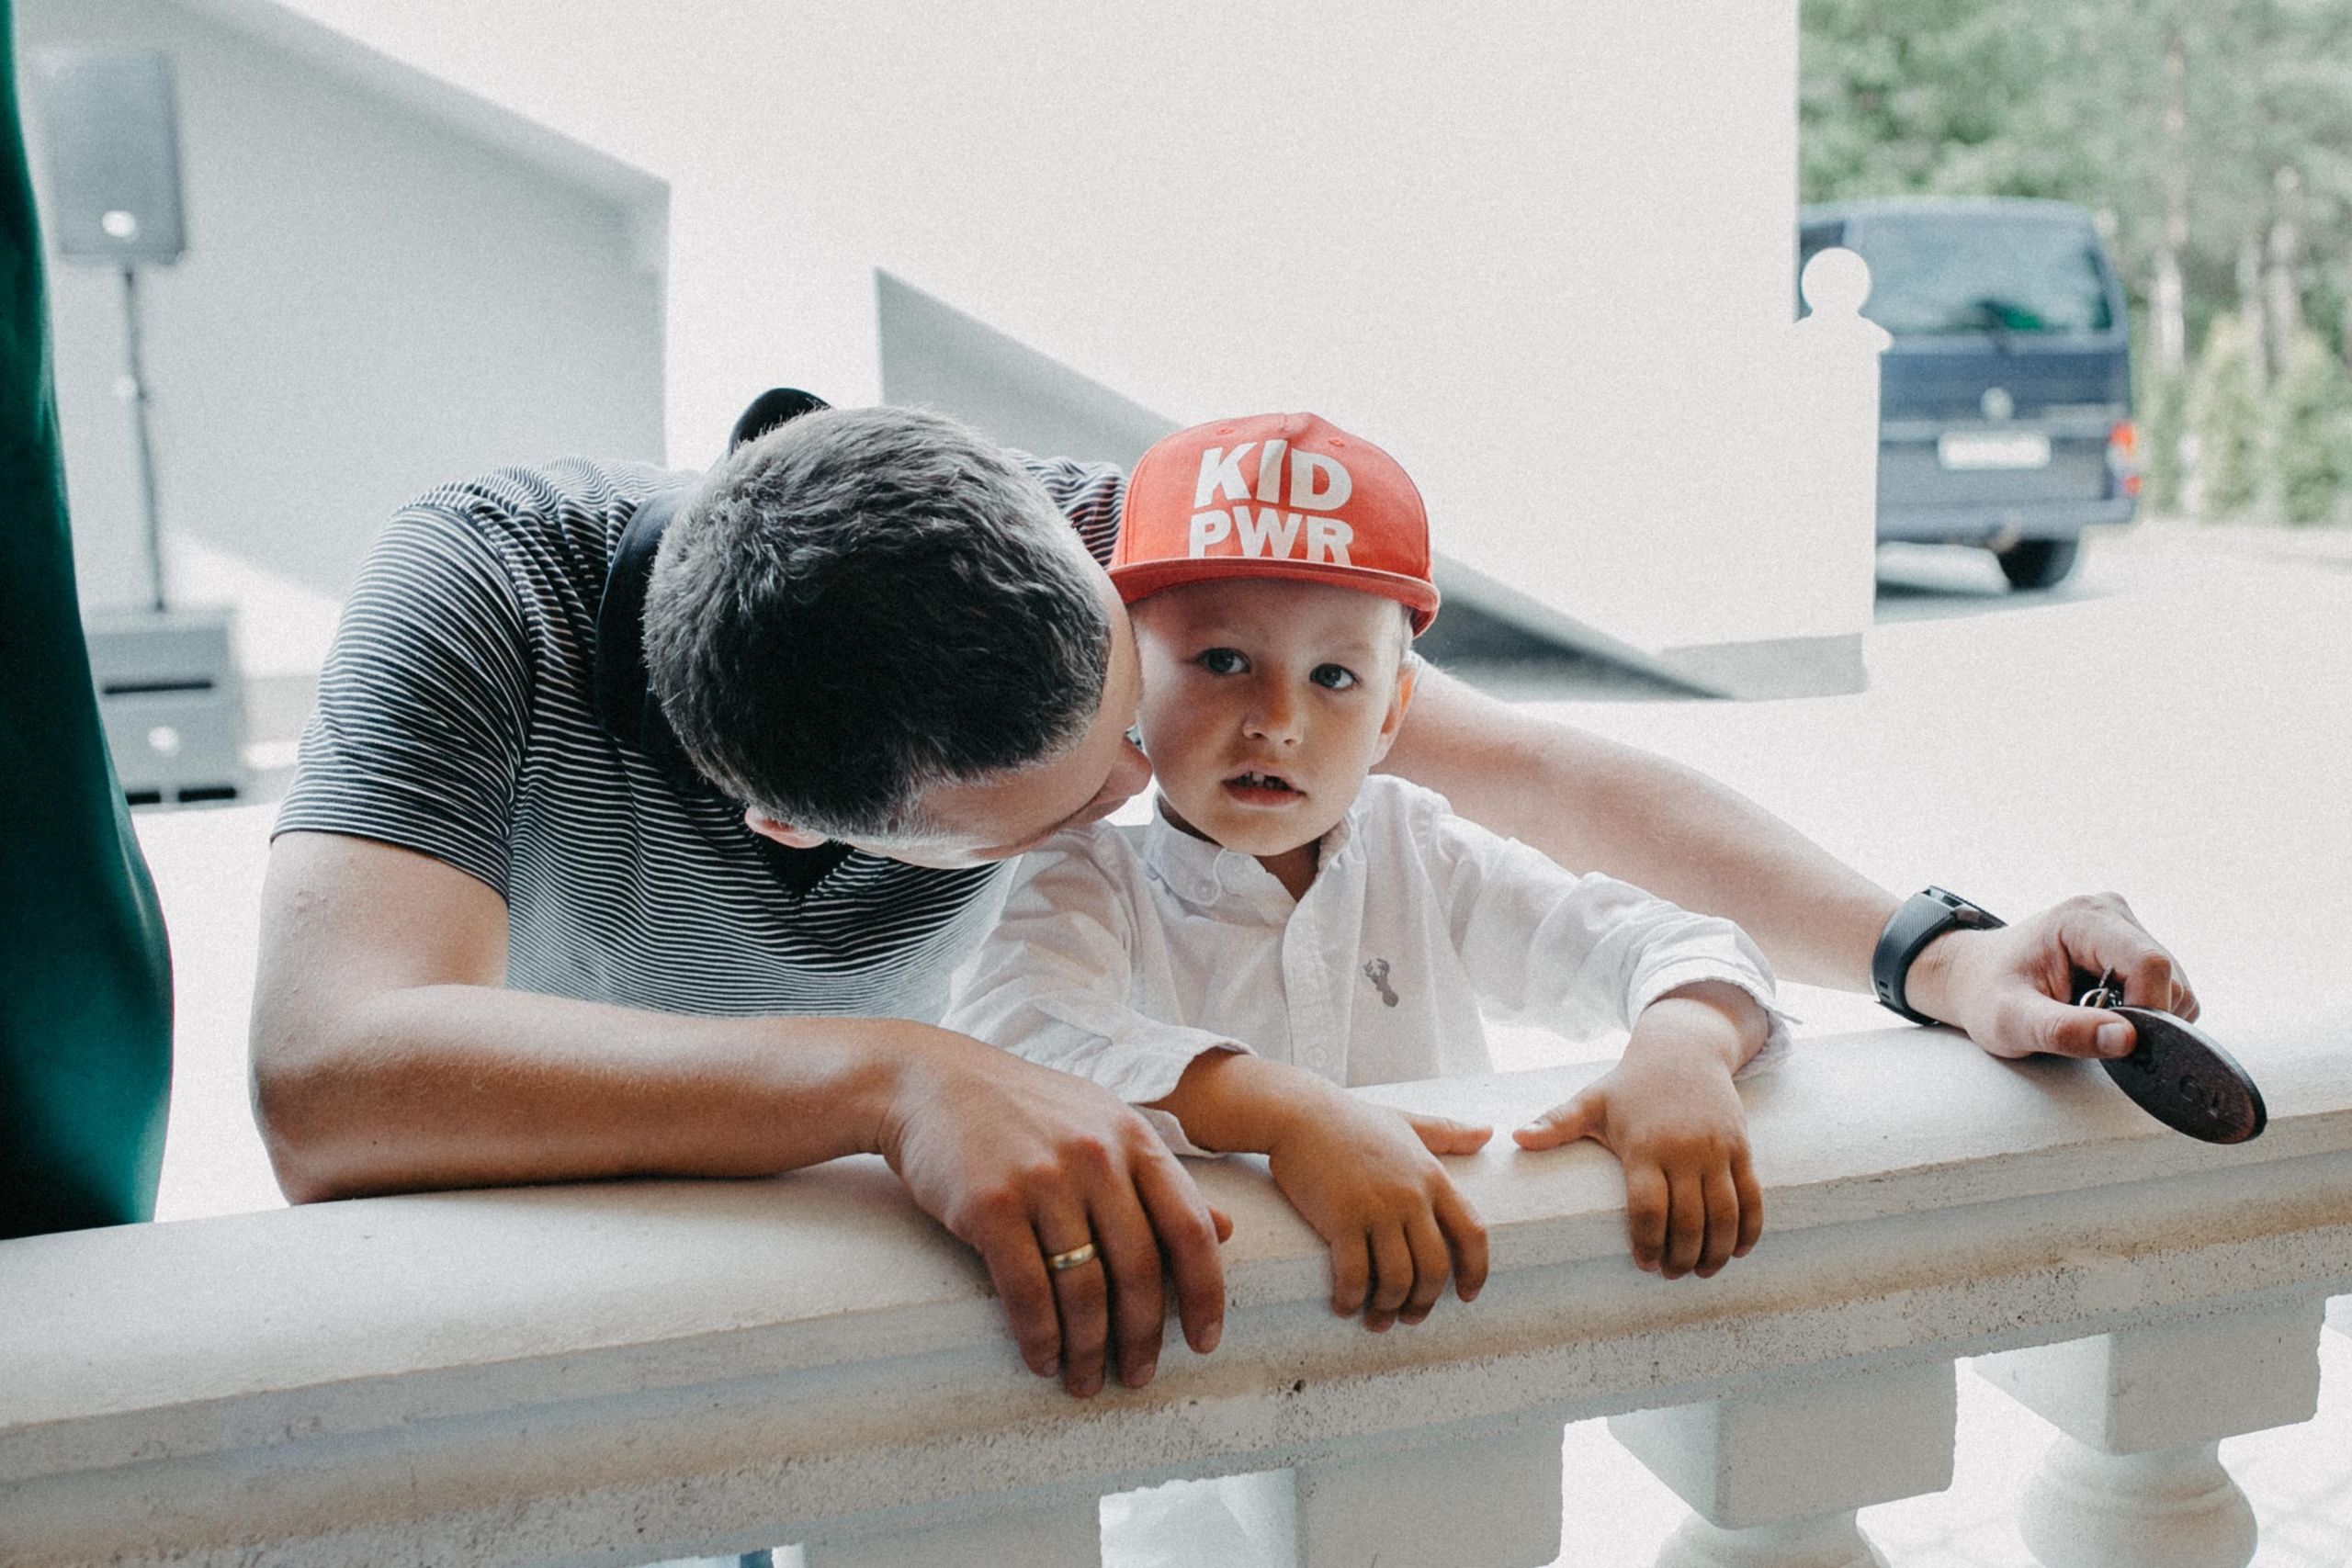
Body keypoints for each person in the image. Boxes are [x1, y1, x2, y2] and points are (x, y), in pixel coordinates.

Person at [251, 391, 2198, 1404]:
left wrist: (1930, 950)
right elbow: (333, 1073)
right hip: (637, 1258)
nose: (1152, 792)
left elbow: (1533, 767)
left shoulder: (1098, 536)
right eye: (1068, 804)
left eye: (1135, 708)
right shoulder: (475, 601)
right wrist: (890, 1074)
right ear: (788, 826)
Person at [945, 412, 1792, 1331]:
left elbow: (1671, 943)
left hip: (1449, 1323)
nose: (1276, 719)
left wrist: (1683, 1044)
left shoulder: (1418, 848)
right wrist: (1290, 1118)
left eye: (1333, 678)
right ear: (1127, 681)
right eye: (1223, 660)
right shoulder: (1088, 877)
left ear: (1393, 713)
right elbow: (1012, 1038)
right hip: (1212, 1364)